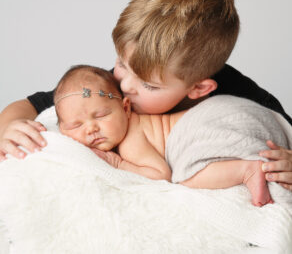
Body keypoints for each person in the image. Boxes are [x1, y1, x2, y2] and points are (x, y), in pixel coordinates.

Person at [0, 0, 292, 190]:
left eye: (148, 85)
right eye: (122, 64)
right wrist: (10, 127)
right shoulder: (107, 90)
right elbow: (27, 106)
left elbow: (282, 129)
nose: (125, 85)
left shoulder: (237, 93)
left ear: (199, 88)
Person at [54, 64, 275, 207]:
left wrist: (118, 163)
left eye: (101, 115)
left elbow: (160, 175)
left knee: (184, 180)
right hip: (230, 110)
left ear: (126, 108)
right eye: (75, 126)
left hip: (210, 123)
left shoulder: (130, 140)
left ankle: (247, 169)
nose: (91, 128)